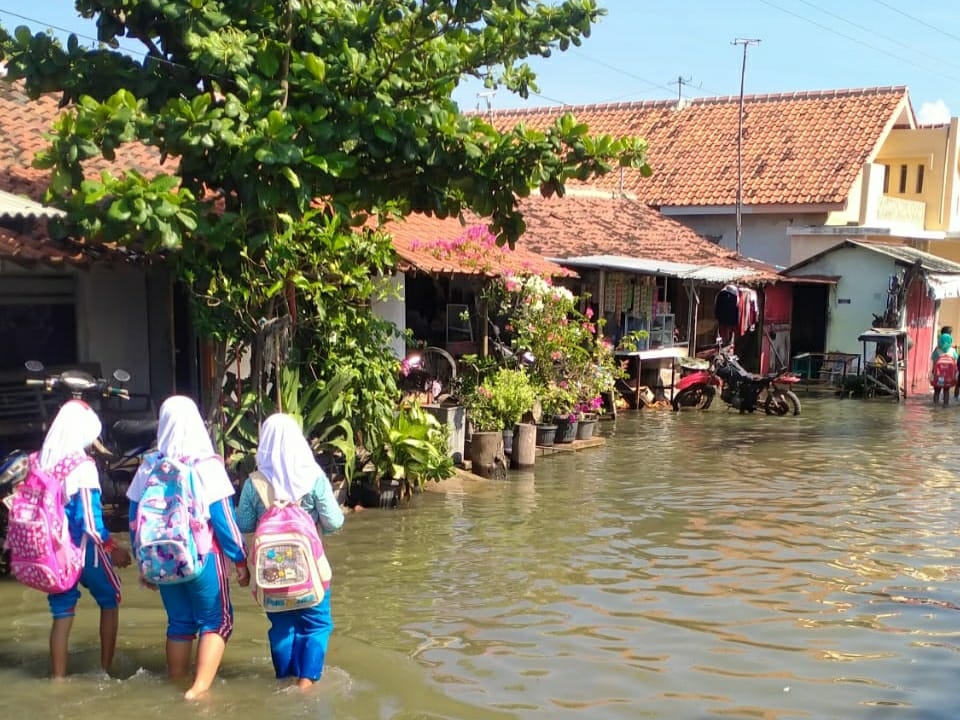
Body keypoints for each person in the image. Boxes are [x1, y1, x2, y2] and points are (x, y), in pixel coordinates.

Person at [127, 395, 249, 700]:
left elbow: (134, 520)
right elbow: (224, 519)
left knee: (180, 622)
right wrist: (240, 558)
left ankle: (177, 682)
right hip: (202, 556)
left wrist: (145, 565)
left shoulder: (148, 466)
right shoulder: (206, 465)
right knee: (217, 621)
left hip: (161, 558)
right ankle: (198, 691)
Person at [236, 413, 344, 690]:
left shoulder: (254, 483)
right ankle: (306, 681)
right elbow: (334, 521)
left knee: (282, 626)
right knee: (317, 624)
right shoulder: (313, 478)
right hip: (311, 570)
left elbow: (244, 523)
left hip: (270, 573)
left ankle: (284, 678)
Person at [40, 399, 132, 679]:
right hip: (83, 551)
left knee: (61, 614)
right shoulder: (83, 465)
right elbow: (90, 522)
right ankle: (106, 670)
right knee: (111, 597)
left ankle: (58, 679)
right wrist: (112, 547)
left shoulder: (47, 463)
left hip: (54, 552)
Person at [930, 328, 958, 406]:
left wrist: (932, 374)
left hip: (938, 375)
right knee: (946, 391)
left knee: (937, 391)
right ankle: (945, 406)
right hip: (948, 376)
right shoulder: (952, 351)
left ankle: (935, 406)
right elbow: (956, 361)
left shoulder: (937, 350)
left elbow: (934, 362)